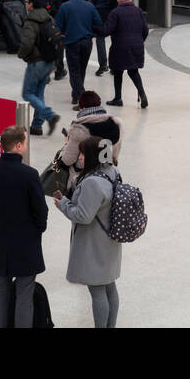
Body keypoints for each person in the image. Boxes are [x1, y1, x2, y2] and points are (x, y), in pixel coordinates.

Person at [0, 125, 48, 328]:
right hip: (26, 241)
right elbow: (40, 210)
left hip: (1, 240)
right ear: (18, 145)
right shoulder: (29, 174)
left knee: (0, 290)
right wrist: (39, 228)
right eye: (25, 143)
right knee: (24, 294)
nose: (26, 146)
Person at [52, 135, 122, 328]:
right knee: (109, 286)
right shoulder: (112, 171)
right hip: (110, 239)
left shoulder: (93, 182)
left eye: (83, 153)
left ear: (92, 156)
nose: (79, 157)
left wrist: (63, 203)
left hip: (94, 244)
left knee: (97, 290)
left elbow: (83, 216)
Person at [59, 90, 122, 191]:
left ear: (82, 108)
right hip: (109, 178)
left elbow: (67, 160)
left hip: (83, 181)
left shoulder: (80, 128)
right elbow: (114, 155)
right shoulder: (115, 123)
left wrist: (66, 143)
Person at [18, 0, 61, 137]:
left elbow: (27, 43)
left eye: (27, 2)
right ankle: (36, 126)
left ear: (32, 4)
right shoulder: (49, 18)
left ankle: (50, 115)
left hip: (37, 62)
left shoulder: (31, 20)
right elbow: (56, 40)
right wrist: (56, 61)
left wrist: (21, 55)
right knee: (39, 93)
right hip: (49, 61)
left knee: (28, 93)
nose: (26, 4)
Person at [103, 0, 149, 109]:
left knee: (118, 72)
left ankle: (118, 98)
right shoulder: (138, 11)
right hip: (136, 45)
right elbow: (145, 30)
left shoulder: (115, 12)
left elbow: (107, 30)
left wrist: (96, 28)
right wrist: (140, 41)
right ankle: (143, 94)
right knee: (133, 71)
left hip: (120, 47)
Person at [57, 0, 103, 106]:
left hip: (72, 42)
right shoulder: (90, 6)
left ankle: (81, 96)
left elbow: (58, 26)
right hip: (87, 42)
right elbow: (98, 23)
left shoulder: (64, 7)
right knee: (82, 69)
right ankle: (76, 94)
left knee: (74, 70)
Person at [89, 0, 132, 75]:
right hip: (117, 8)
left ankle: (103, 65)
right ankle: (115, 65)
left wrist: (96, 4)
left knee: (100, 37)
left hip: (102, 8)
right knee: (116, 36)